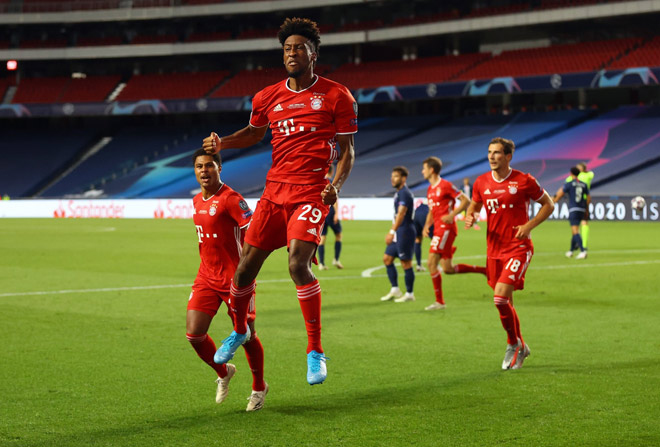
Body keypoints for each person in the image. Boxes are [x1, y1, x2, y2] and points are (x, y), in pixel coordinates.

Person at [202, 17, 357, 386]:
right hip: (274, 194)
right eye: (287, 48)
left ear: (313, 54)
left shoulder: (337, 95)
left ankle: (315, 351)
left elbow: (348, 152)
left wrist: (336, 185)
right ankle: (239, 330)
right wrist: (224, 142)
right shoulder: (267, 96)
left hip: (311, 192)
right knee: (243, 272)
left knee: (297, 264)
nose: (291, 53)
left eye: (299, 48)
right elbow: (254, 134)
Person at [187, 148, 267, 411]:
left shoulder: (232, 199)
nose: (204, 171)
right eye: (199, 166)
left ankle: (258, 388)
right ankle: (223, 372)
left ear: (219, 168)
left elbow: (254, 233)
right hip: (206, 277)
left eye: (209, 166)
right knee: (195, 334)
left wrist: (247, 272)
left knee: (248, 336)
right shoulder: (197, 200)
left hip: (235, 280)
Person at [465, 137, 554, 370]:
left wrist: (529, 226)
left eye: (496, 153)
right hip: (494, 250)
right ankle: (519, 346)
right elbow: (475, 205)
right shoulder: (481, 182)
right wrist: (471, 215)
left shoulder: (524, 181)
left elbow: (549, 204)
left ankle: (514, 343)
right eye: (489, 152)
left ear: (508, 156)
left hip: (518, 248)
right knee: (507, 302)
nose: (492, 157)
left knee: (500, 297)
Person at [421, 157, 487, 311]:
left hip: (446, 228)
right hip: (438, 228)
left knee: (431, 263)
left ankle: (439, 302)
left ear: (431, 170)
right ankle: (483, 270)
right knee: (448, 269)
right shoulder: (430, 189)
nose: (422, 171)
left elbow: (465, 200)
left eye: (424, 168)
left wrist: (453, 215)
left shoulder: (445, 185)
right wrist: (426, 225)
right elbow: (432, 210)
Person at [380, 166, 417, 303]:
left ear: (403, 178)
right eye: (392, 176)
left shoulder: (405, 194)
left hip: (405, 232)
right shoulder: (399, 192)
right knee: (387, 259)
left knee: (405, 263)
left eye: (395, 176)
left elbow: (401, 214)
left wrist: (391, 232)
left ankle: (409, 293)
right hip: (399, 232)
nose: (392, 179)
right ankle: (395, 289)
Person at [555, 166, 590, 259]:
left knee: (575, 231)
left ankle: (583, 251)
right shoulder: (584, 184)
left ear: (571, 174)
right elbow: (588, 198)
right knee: (575, 230)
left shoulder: (569, 183)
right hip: (582, 209)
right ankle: (571, 251)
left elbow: (560, 193)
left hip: (573, 209)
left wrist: (554, 200)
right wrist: (587, 210)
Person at [318, 164, 343, 270]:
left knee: (322, 238)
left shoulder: (320, 182)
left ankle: (321, 264)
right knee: (338, 235)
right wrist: (337, 213)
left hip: (322, 212)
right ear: (332, 172)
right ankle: (336, 259)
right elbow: (335, 199)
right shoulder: (331, 182)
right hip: (330, 211)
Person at [566, 162, 594, 252]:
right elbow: (591, 174)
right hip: (585, 203)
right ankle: (581, 245)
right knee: (583, 223)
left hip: (576, 203)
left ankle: (579, 246)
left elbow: (567, 180)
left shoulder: (573, 178)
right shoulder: (588, 175)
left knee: (575, 226)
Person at [413, 200, 431, 272]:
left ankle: (418, 265)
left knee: (417, 239)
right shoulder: (431, 202)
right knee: (435, 239)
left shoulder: (420, 203)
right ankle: (434, 263)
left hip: (415, 215)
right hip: (426, 215)